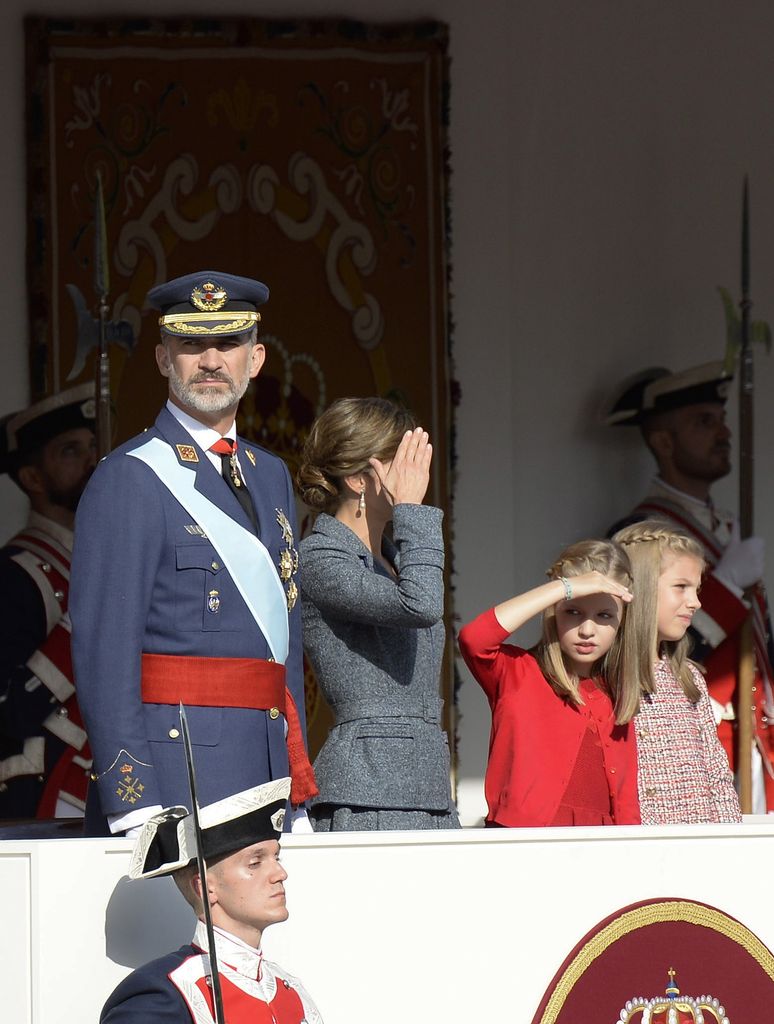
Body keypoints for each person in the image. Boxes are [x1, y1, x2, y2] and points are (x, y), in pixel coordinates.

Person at [70, 271, 316, 837]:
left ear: (255, 359)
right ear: (163, 359)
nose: (211, 360)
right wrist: (132, 800)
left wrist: (295, 786)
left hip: (265, 767)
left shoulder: (271, 474)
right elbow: (105, 653)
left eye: (228, 343)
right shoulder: (128, 476)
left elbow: (285, 638)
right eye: (191, 344)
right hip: (176, 777)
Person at [606, 360, 774, 812]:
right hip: (698, 739)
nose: (724, 433)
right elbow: (640, 640)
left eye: (721, 420)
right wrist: (723, 589)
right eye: (704, 422)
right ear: (663, 440)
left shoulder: (721, 529)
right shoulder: (641, 532)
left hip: (753, 736)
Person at [296, 397, 459, 830]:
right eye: (398, 461)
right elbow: (421, 605)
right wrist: (412, 511)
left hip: (427, 783)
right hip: (368, 788)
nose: (414, 473)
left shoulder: (395, 557)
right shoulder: (318, 558)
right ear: (357, 479)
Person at [101, 776, 324, 1022]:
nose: (280, 874)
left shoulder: (289, 989)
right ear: (205, 887)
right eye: (255, 862)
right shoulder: (165, 994)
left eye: (276, 859)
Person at [458, 539, 640, 827]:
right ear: (553, 612)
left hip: (603, 850)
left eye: (604, 615)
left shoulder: (618, 693)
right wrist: (563, 588)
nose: (587, 630)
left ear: (622, 622)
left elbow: (628, 802)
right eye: (573, 611)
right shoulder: (517, 671)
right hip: (525, 849)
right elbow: (474, 638)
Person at [0, 382, 97, 821]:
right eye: (70, 451)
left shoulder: (93, 561)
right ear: (32, 478)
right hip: (38, 795)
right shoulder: (12, 574)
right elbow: (12, 712)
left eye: (92, 447)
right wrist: (89, 621)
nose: (91, 460)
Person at [614, 520, 742, 824]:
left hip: (704, 850)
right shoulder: (606, 679)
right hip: (643, 853)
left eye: (696, 589)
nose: (695, 602)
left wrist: (731, 840)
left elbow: (718, 777)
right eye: (681, 587)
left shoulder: (689, 678)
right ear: (641, 588)